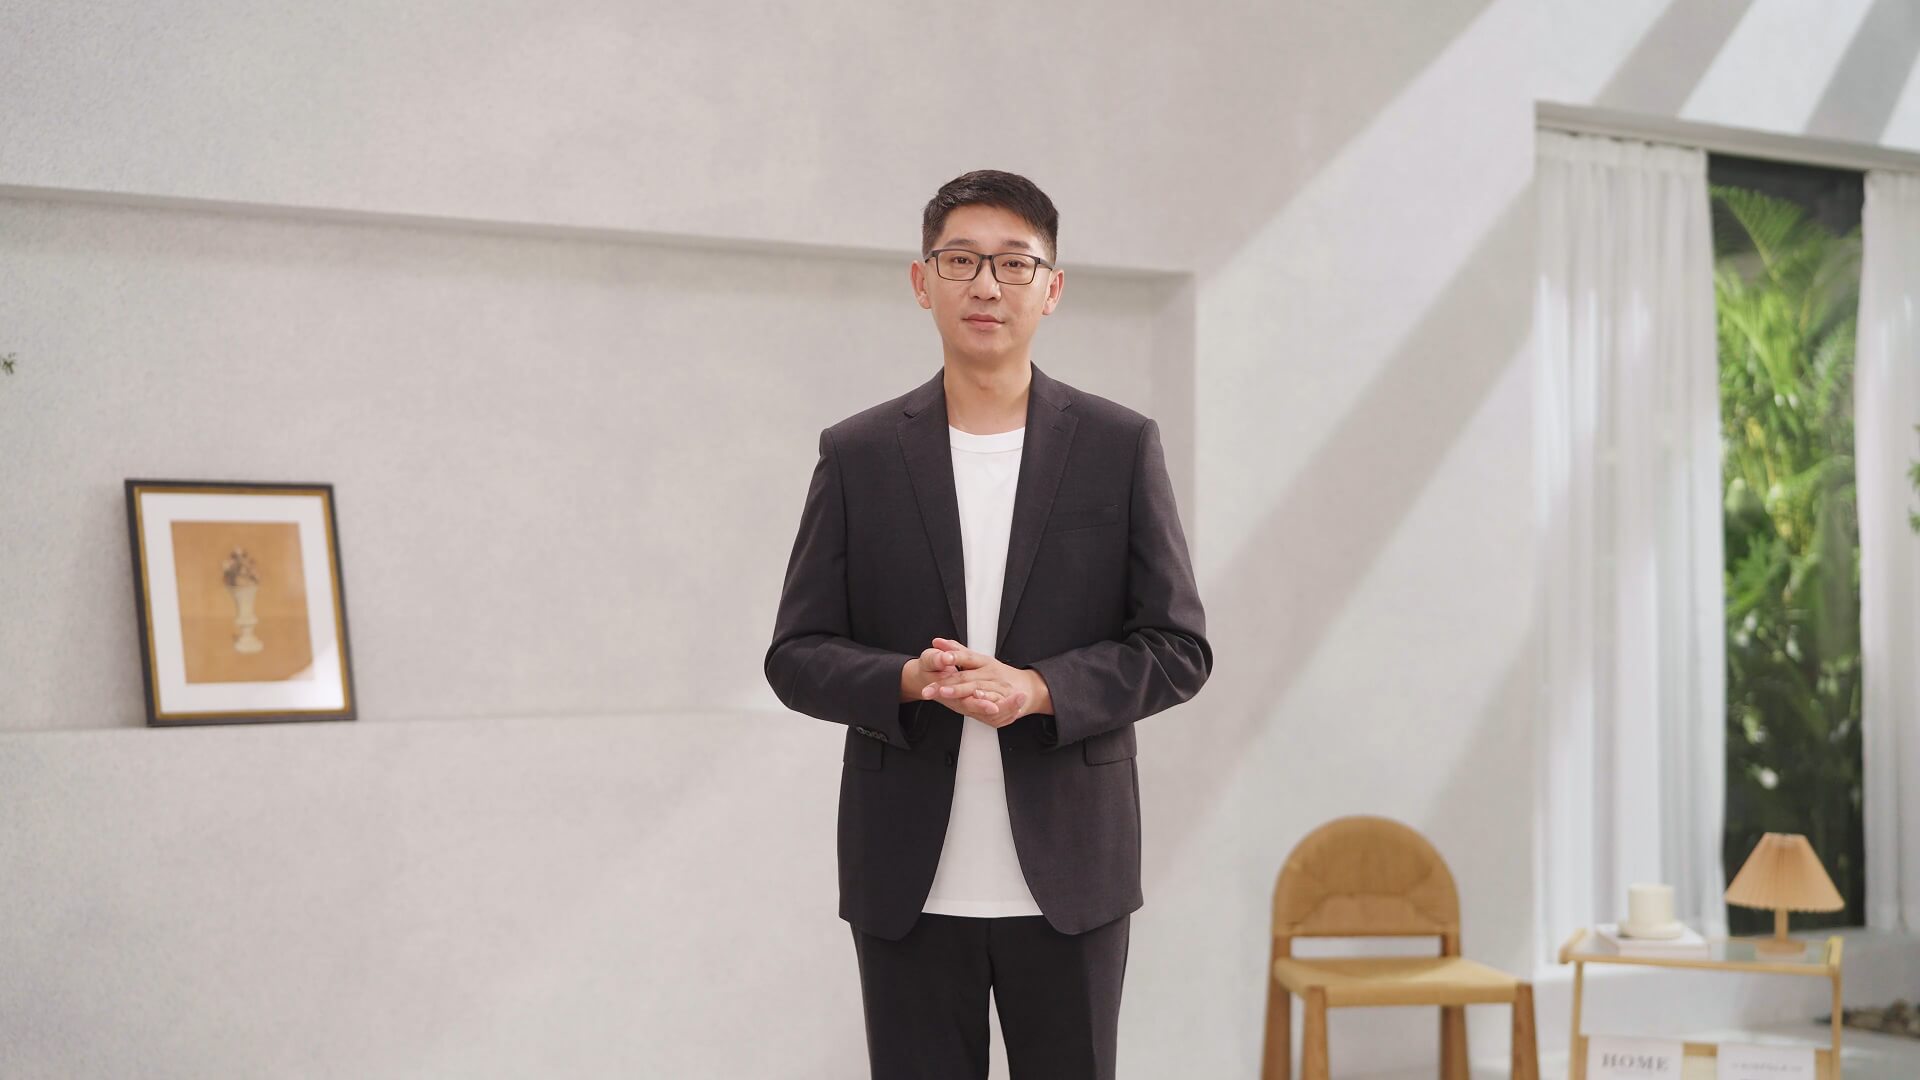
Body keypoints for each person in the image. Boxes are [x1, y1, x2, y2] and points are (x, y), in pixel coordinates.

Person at [763, 168, 1212, 1080]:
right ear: (921, 280)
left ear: (1052, 287)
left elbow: (1177, 647)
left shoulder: (1119, 446)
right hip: (906, 877)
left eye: (1014, 263)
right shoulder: (857, 454)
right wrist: (907, 680)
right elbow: (796, 654)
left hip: (1073, 874)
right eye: (961, 260)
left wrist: (1039, 690)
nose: (986, 285)